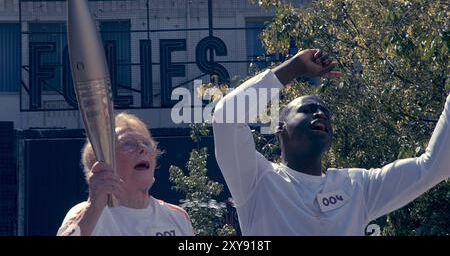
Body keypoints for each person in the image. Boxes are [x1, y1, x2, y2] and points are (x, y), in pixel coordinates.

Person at [212, 49, 450, 235]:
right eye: (308, 109)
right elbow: (226, 116)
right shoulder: (257, 180)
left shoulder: (357, 187)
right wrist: (293, 68)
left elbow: (434, 167)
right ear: (280, 129)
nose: (320, 114)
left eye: (325, 112)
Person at [57, 112, 194, 236]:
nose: (142, 149)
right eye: (128, 144)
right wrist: (94, 206)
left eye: (146, 143)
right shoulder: (87, 215)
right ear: (103, 163)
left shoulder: (177, 217)